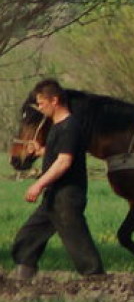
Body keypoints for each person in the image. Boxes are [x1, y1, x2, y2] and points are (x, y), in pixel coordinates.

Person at [11, 79, 105, 280]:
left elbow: (64, 161)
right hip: (55, 195)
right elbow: (60, 152)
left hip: (67, 195)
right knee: (28, 236)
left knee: (77, 241)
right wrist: (41, 151)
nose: (40, 107)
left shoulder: (70, 126)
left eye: (42, 102)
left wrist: (38, 184)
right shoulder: (58, 127)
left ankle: (97, 279)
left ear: (54, 100)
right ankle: (24, 274)